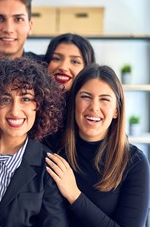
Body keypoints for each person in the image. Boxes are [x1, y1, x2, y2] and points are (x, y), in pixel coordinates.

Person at [0, 57, 68, 227]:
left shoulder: (48, 166)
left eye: (25, 99)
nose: (15, 110)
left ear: (39, 105)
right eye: (5, 99)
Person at [46, 64, 150, 227]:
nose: (94, 107)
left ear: (116, 110)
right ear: (74, 103)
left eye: (104, 99)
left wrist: (74, 195)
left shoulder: (134, 162)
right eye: (86, 97)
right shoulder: (53, 148)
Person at [42, 33, 96, 152]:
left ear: (88, 69)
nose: (63, 67)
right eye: (56, 58)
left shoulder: (91, 111)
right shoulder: (34, 104)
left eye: (75, 61)